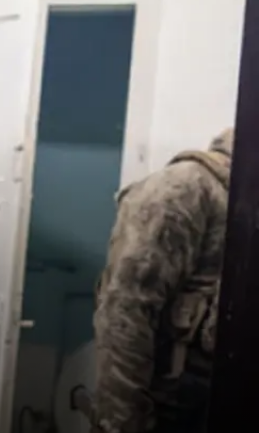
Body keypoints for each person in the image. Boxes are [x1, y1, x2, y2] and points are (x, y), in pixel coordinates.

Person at [92, 128, 232, 433]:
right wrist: (122, 422)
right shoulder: (186, 187)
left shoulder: (242, 198)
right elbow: (124, 311)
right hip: (170, 404)